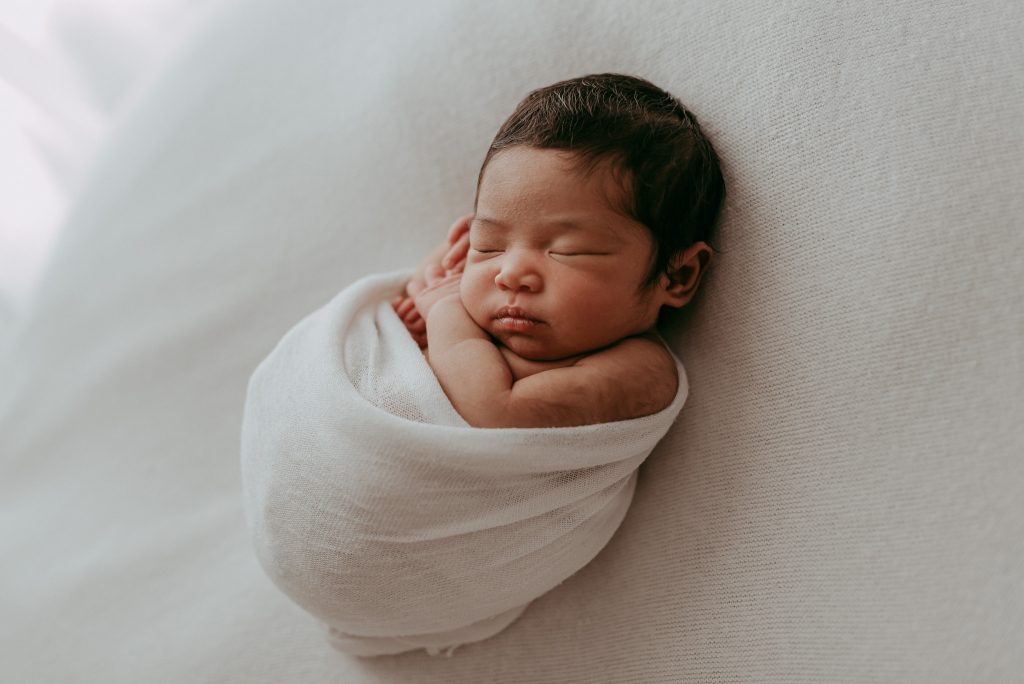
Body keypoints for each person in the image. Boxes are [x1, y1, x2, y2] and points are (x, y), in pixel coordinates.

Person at [391, 73, 725, 428]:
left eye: (569, 252)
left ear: (676, 276)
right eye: (490, 246)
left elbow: (495, 413)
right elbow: (423, 287)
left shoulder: (640, 371)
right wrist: (420, 304)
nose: (511, 274)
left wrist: (445, 315)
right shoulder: (480, 301)